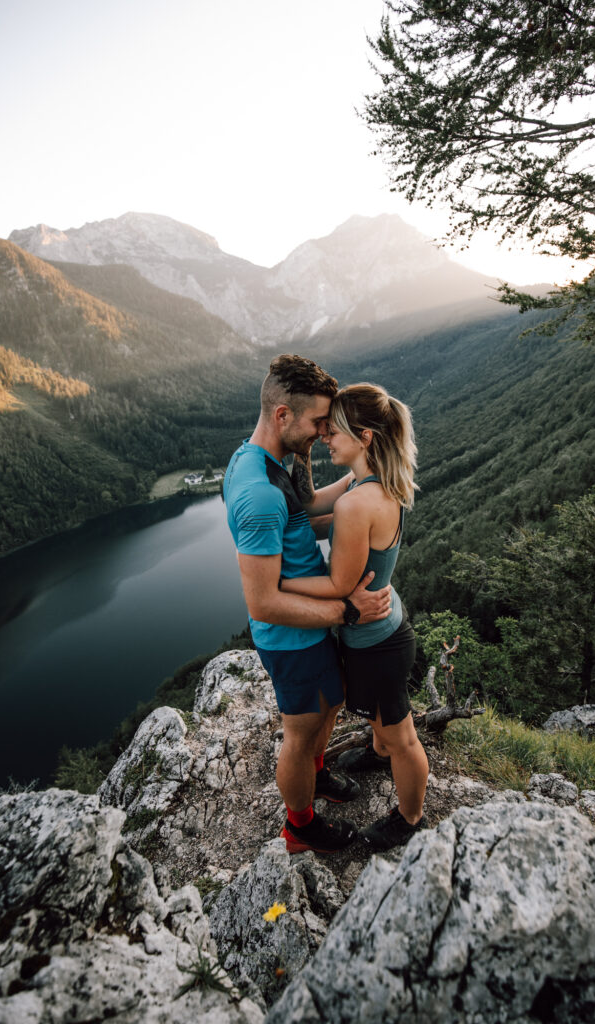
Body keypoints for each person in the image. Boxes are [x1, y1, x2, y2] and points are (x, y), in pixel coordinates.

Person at [223, 354, 392, 854]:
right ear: (282, 416)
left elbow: (307, 510)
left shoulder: (269, 461)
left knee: (331, 704)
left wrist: (364, 479)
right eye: (319, 422)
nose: (324, 432)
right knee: (299, 734)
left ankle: (317, 778)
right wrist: (349, 610)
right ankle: (300, 826)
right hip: (292, 636)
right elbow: (263, 603)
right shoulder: (258, 493)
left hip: (311, 626)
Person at [280, 383, 429, 850]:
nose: (326, 436)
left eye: (334, 430)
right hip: (386, 630)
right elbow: (308, 508)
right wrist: (301, 452)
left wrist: (278, 587)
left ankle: (409, 818)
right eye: (321, 431)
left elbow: (340, 587)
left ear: (364, 436)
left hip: (376, 644)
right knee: (385, 726)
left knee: (401, 735)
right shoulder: (371, 482)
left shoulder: (356, 503)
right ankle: (377, 750)